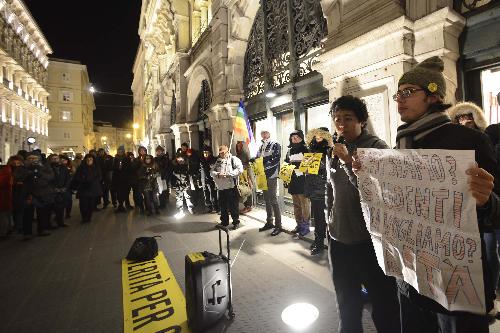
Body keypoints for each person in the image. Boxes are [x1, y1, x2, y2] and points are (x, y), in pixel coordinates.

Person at [373, 56, 500, 332]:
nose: (399, 100)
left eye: (408, 92)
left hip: (457, 283)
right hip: (412, 279)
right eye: (398, 94)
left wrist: (487, 201)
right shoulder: (402, 143)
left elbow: (495, 211)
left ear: (433, 95)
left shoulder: (470, 140)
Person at [326, 96, 400, 332]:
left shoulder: (377, 148)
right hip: (338, 239)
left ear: (362, 121)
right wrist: (330, 220)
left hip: (371, 241)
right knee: (346, 303)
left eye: (348, 118)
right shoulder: (335, 149)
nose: (341, 124)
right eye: (337, 119)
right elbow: (332, 189)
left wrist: (349, 161)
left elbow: (381, 192)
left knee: (384, 305)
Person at [256, 129, 282, 236]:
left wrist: (264, 164)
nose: (263, 134)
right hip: (262, 175)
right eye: (262, 133)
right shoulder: (261, 146)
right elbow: (258, 158)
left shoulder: (275, 144)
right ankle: (269, 222)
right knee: (266, 199)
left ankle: (278, 225)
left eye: (266, 132)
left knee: (273, 199)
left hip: (271, 175)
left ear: (269, 133)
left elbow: (276, 159)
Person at [211, 145, 243, 229]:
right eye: (220, 153)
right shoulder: (218, 161)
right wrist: (217, 174)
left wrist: (228, 174)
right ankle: (224, 222)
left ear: (227, 151)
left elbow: (240, 170)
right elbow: (211, 172)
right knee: (223, 206)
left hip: (231, 187)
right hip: (221, 188)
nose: (221, 154)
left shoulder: (233, 159)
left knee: (233, 206)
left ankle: (236, 222)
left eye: (223, 153)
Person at [284, 130, 310, 237]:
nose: (295, 139)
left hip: (303, 181)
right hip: (293, 181)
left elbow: (311, 166)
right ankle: (298, 224)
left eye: (297, 137)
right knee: (296, 205)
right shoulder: (289, 151)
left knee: (305, 205)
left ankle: (305, 226)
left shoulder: (306, 150)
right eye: (293, 138)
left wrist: (301, 167)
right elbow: (285, 165)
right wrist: (285, 178)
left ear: (301, 138)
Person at [24, 152, 55, 237]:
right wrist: (29, 173)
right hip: (28, 193)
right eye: (30, 158)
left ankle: (41, 229)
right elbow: (20, 177)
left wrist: (39, 172)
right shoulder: (24, 167)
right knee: (28, 214)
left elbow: (51, 177)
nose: (32, 160)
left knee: (41, 213)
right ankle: (27, 233)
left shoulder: (44, 166)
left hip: (42, 193)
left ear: (38, 159)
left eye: (34, 158)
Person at [73, 154, 102, 223]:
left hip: (93, 189)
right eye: (88, 160)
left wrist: (93, 181)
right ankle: (84, 217)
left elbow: (99, 177)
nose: (89, 161)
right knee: (83, 204)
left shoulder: (96, 167)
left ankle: (89, 216)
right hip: (83, 189)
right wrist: (83, 181)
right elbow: (77, 177)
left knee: (91, 204)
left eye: (91, 160)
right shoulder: (81, 167)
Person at [49, 154, 70, 228]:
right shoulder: (48, 168)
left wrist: (65, 187)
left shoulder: (64, 168)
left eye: (56, 158)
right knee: (51, 208)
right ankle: (50, 224)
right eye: (53, 158)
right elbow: (48, 180)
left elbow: (68, 179)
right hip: (52, 191)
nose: (55, 160)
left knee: (61, 208)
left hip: (62, 191)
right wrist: (54, 188)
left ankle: (60, 222)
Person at [9, 155, 28, 233]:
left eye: (18, 161)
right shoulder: (8, 169)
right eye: (14, 161)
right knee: (13, 210)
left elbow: (25, 179)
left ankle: (19, 226)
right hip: (11, 192)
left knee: (20, 210)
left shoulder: (23, 169)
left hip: (21, 192)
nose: (16, 162)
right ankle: (15, 226)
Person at [112, 146, 132, 213]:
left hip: (125, 179)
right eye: (119, 151)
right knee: (118, 193)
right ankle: (120, 205)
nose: (120, 152)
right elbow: (113, 168)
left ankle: (124, 205)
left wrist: (123, 168)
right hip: (117, 179)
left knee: (125, 192)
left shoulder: (127, 158)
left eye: (121, 151)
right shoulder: (115, 159)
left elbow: (129, 168)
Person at [200, 146, 219, 213]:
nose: (205, 153)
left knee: (213, 193)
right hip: (204, 179)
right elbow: (201, 171)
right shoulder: (202, 160)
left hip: (211, 179)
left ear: (210, 153)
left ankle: (215, 207)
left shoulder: (213, 160)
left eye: (207, 152)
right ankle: (209, 207)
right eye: (204, 152)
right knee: (206, 193)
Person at [236, 141, 253, 213]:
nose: (238, 148)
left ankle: (248, 206)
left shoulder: (246, 154)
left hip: (246, 173)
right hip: (240, 174)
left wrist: (249, 177)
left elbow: (250, 164)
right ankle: (245, 205)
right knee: (242, 189)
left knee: (248, 188)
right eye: (237, 146)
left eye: (240, 146)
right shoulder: (237, 155)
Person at [155, 145, 171, 210]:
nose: (158, 152)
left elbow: (167, 168)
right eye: (157, 151)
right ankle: (162, 203)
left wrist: (166, 176)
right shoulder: (155, 159)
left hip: (164, 176)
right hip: (158, 177)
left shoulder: (165, 158)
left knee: (164, 190)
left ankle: (164, 203)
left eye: (160, 151)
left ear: (162, 151)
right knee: (159, 190)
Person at [0, 162, 12, 238]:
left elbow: (2, 182)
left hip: (3, 196)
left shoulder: (5, 170)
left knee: (3, 215)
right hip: (4, 197)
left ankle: (3, 232)